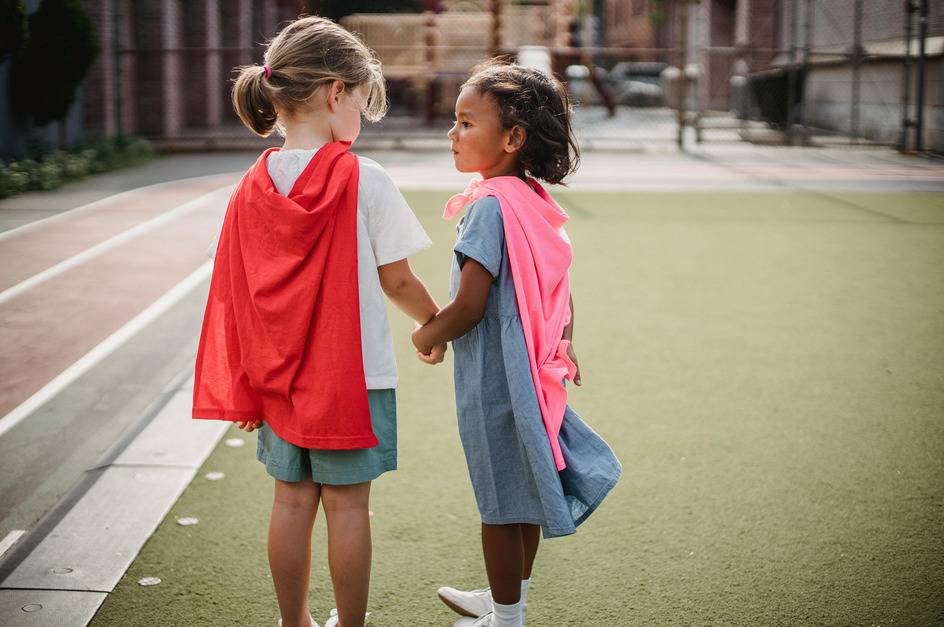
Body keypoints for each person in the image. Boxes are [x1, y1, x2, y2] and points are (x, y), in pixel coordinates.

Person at [192, 16, 445, 627]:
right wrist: (434, 324)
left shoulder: (248, 189)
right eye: (361, 100)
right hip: (352, 380)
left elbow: (233, 290)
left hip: (280, 379)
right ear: (337, 93)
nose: (360, 114)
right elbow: (398, 280)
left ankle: (294, 622)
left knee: (290, 503)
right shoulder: (366, 179)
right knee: (350, 510)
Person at [411, 60, 622, 627]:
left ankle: (505, 619)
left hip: (498, 380)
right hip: (536, 370)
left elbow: (468, 306)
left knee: (501, 504)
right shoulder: (533, 201)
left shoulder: (488, 207)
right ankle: (509, 599)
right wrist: (568, 340)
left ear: (512, 138)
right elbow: (562, 285)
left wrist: (424, 334)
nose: (452, 133)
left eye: (465, 122)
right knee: (523, 491)